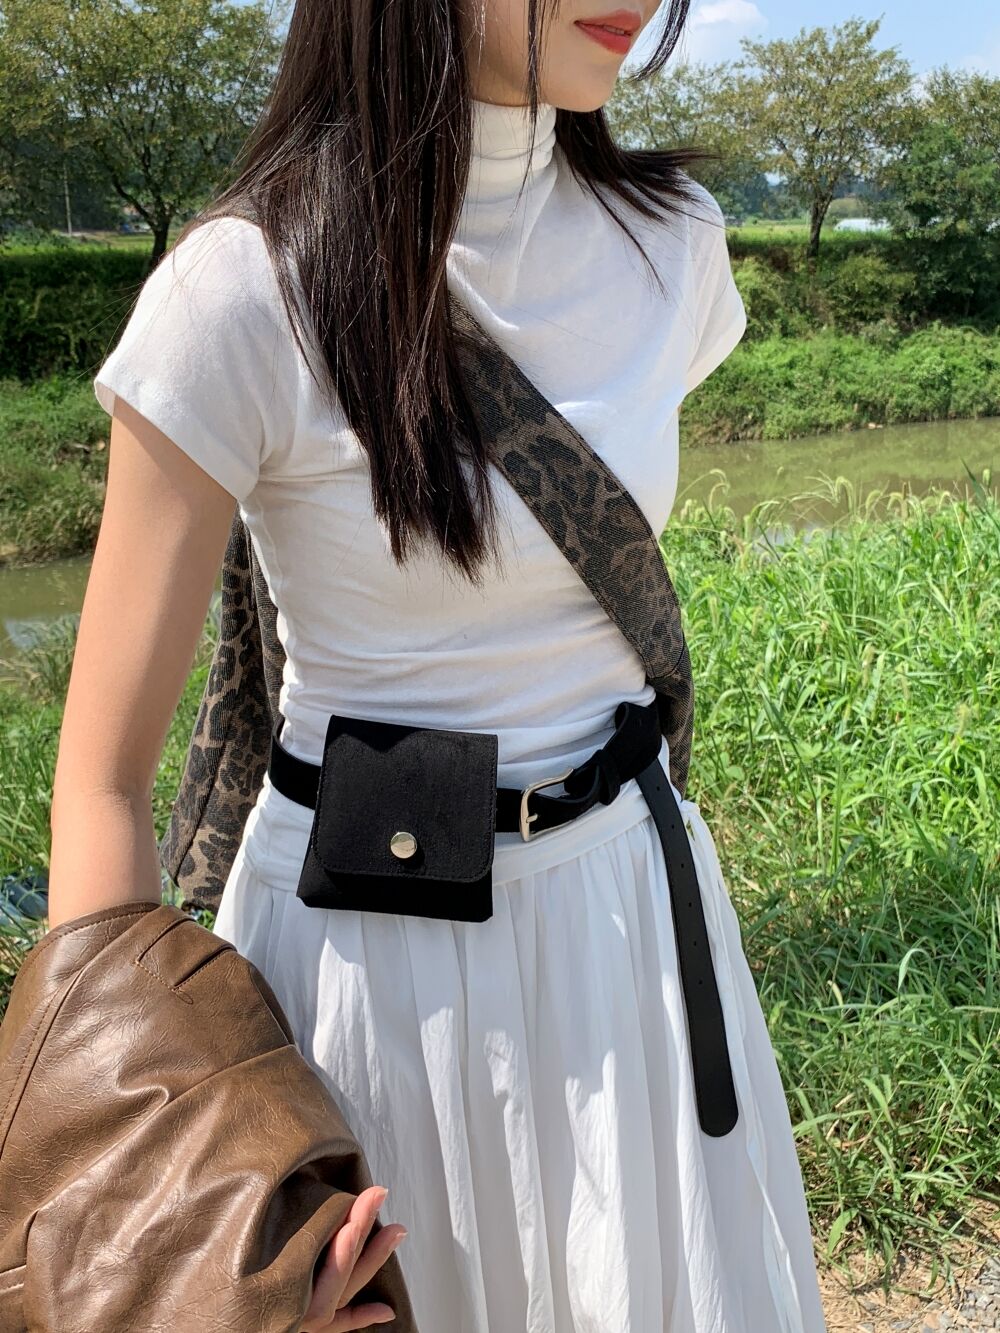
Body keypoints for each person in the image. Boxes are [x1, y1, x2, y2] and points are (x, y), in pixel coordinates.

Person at [48, 0, 830, 1326]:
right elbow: (101, 784)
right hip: (365, 977)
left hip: (633, 925)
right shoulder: (240, 290)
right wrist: (166, 1209)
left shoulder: (673, 243)